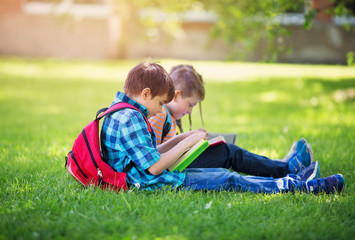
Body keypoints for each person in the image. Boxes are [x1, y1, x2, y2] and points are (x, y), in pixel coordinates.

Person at [101, 62, 345, 194]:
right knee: (228, 179)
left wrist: (182, 137)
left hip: (151, 177)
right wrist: (186, 143)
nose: (159, 109)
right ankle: (299, 185)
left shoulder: (122, 111)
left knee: (229, 177)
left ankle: (294, 179)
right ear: (145, 93)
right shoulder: (131, 118)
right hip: (152, 181)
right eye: (158, 103)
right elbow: (154, 167)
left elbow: (149, 155)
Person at [149, 64, 309, 178]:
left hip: (179, 163)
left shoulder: (169, 116)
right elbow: (153, 153)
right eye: (190, 105)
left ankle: (279, 165)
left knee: (230, 152)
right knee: (230, 153)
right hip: (176, 168)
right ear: (176, 95)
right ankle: (285, 168)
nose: (190, 111)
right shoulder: (160, 114)